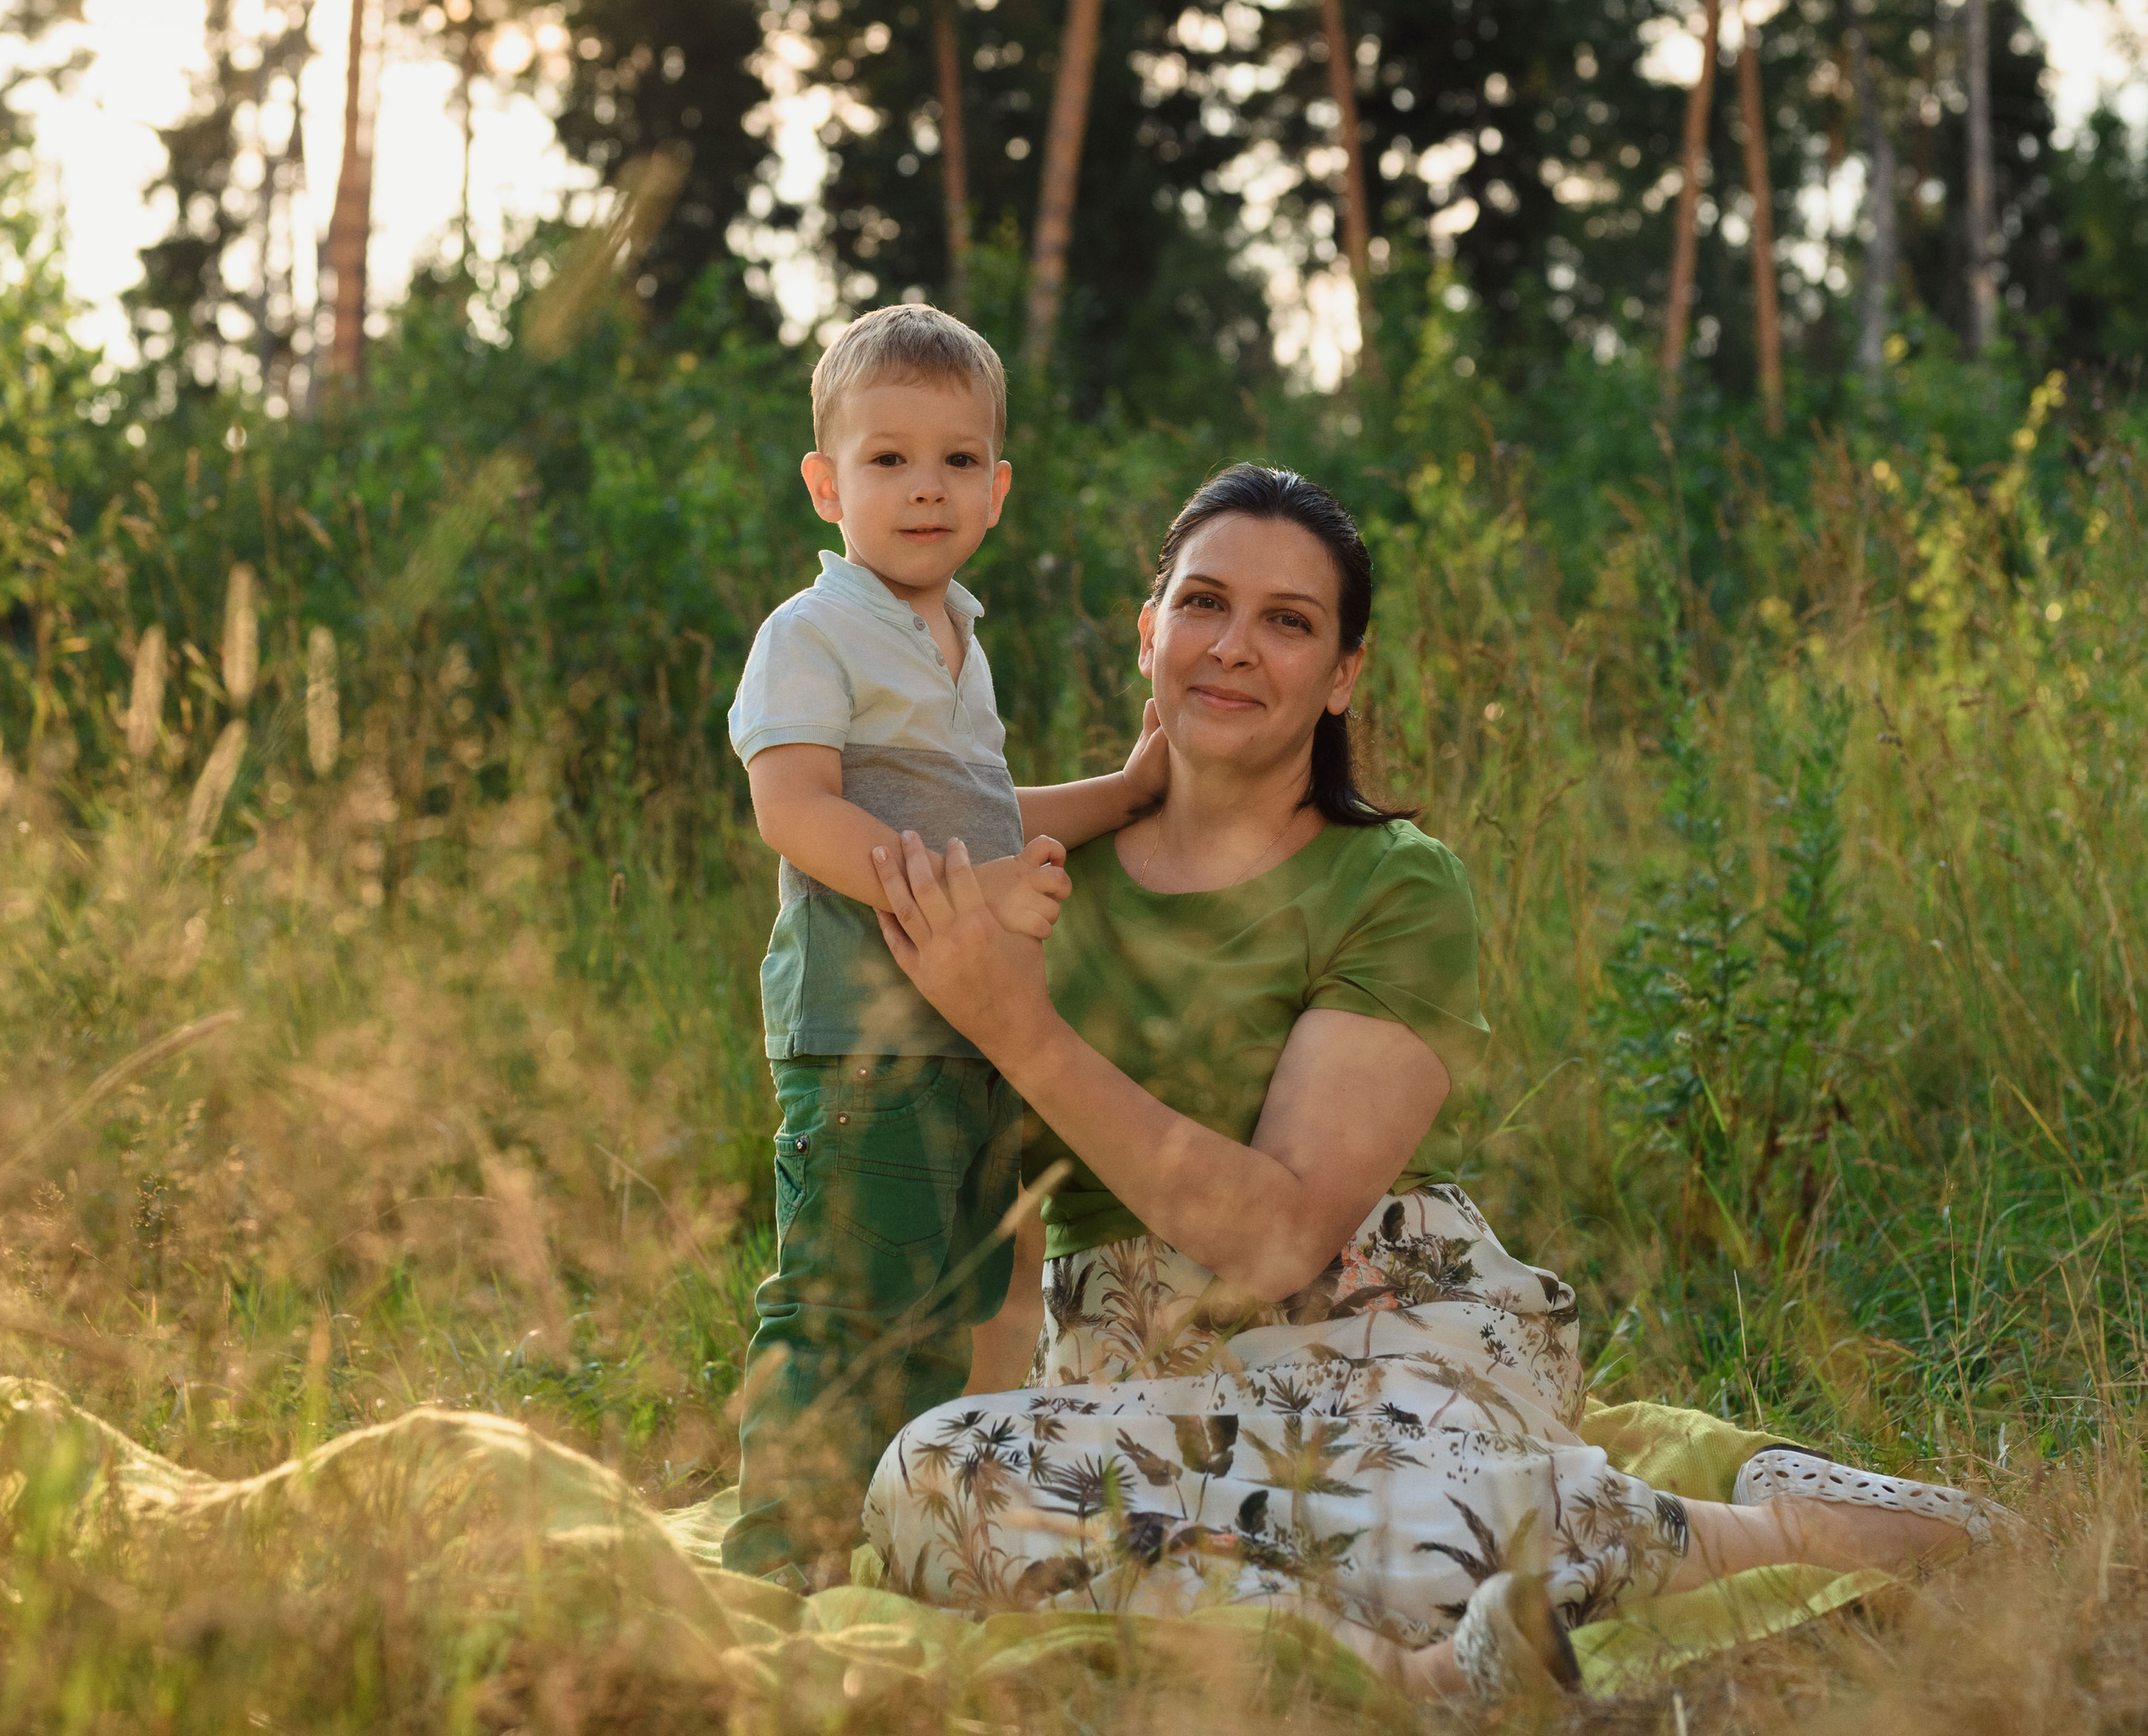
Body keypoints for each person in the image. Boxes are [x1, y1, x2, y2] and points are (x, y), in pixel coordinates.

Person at [861, 464, 2008, 1700]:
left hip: (1383, 1325)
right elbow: (996, 1247)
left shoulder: (1396, 885)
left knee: (1407, 1493)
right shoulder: (1035, 881)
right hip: (1132, 1374)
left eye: (1289, 622)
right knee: (931, 1480)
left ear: (1343, 673)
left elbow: (1283, 1237)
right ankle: (1416, 1671)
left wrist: (1023, 1032)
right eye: (1203, 604)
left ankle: (1780, 1535)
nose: (1235, 647)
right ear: (1150, 633)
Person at [719, 305, 1166, 1585]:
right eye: (888, 460)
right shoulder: (813, 632)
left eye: (958, 461)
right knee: (852, 1295)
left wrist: (1126, 794)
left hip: (964, 1021)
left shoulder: (958, 636)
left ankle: (902, 1521)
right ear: (826, 484)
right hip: (861, 1028)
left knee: (956, 1292)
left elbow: (987, 814)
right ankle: (782, 1555)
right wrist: (961, 901)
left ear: (999, 489)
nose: (926, 488)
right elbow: (794, 806)